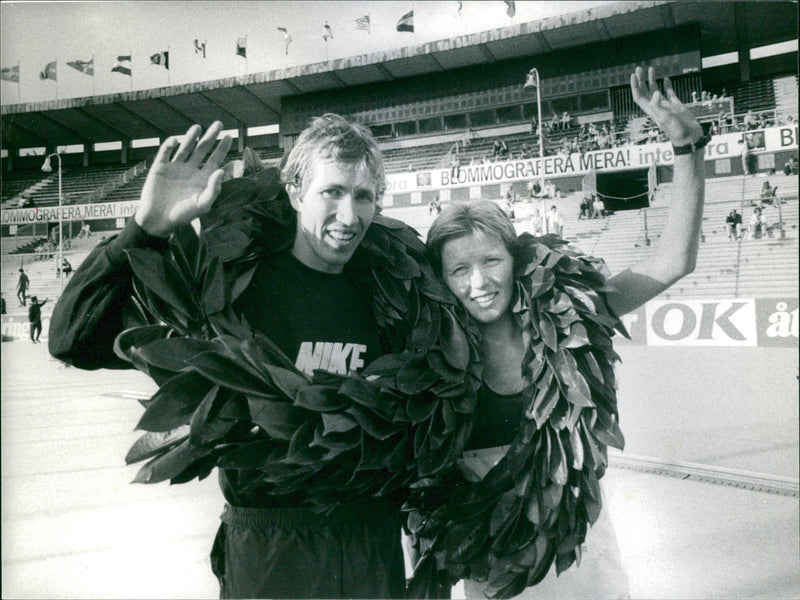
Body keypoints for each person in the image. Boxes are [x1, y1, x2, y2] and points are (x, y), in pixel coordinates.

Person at [47, 115, 445, 599]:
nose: (349, 216)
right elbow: (72, 339)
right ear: (295, 192)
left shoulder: (393, 293)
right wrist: (144, 230)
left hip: (369, 544)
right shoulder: (230, 289)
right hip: (269, 546)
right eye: (332, 192)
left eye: (364, 196)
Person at [415, 65, 706, 600]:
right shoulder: (428, 351)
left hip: (581, 562)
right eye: (459, 270)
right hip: (493, 568)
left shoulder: (571, 313)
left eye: (491, 260)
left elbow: (673, 261)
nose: (479, 283)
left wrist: (687, 151)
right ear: (442, 279)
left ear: (516, 255)